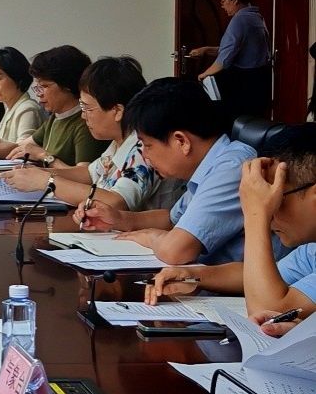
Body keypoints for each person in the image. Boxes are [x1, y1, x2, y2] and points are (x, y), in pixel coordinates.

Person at [80, 78, 255, 266]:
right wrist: (118, 218)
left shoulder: (232, 168)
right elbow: (173, 220)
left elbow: (176, 251)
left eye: (147, 145)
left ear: (181, 141)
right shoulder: (211, 163)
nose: (145, 155)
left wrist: (150, 236)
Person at [145, 126, 316, 312]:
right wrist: (191, 275)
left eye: (276, 199)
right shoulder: (310, 251)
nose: (269, 215)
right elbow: (257, 276)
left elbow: (267, 311)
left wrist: (256, 215)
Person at [0, 56, 176, 210]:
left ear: (117, 111)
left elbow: (116, 202)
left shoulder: (143, 148)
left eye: (87, 108)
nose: (83, 116)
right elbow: (89, 174)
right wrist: (37, 173)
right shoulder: (118, 142)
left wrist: (47, 181)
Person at [3, 46, 105, 168]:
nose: (39, 94)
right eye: (37, 87)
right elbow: (22, 147)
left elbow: (84, 174)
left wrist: (45, 156)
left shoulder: (85, 123)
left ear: (67, 85)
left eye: (44, 86)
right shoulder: (56, 116)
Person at [190, 0, 272, 119]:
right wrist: (206, 50)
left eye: (223, 1)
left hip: (244, 82)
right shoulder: (256, 17)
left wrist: (203, 75)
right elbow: (234, 49)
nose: (222, 6)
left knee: (235, 120)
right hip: (260, 79)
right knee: (253, 123)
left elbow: (225, 59)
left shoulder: (239, 20)